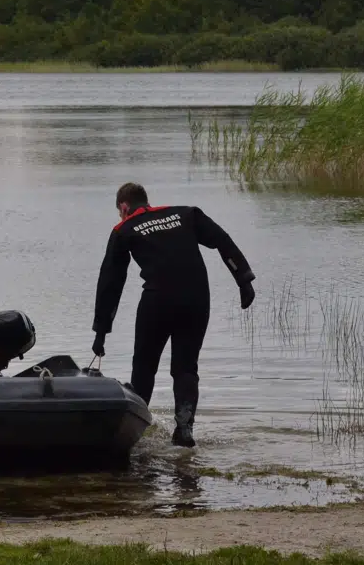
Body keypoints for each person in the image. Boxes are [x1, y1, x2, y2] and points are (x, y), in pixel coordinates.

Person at [91, 182, 256, 447]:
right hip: (197, 297)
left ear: (123, 207)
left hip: (158, 300)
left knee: (144, 367)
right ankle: (184, 429)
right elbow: (221, 240)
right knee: (186, 367)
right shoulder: (185, 213)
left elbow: (111, 282)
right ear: (145, 200)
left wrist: (101, 332)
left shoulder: (124, 229)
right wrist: (243, 279)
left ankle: (136, 434)